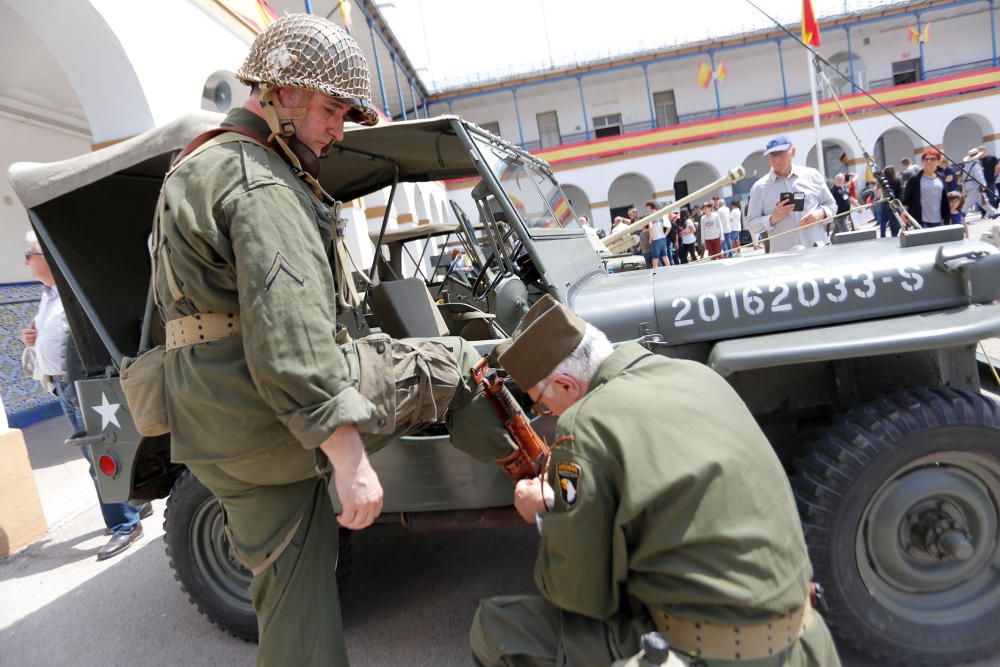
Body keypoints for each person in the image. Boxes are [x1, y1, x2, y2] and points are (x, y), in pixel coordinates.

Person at [153, 15, 515, 665]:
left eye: (344, 113)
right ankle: (544, 482)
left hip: (214, 423)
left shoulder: (198, 166)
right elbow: (288, 339)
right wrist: (348, 457)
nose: (337, 129)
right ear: (278, 93)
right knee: (458, 363)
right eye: (329, 109)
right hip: (267, 411)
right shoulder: (261, 181)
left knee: (295, 590)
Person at [469, 295, 841, 667]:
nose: (547, 413)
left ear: (566, 385)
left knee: (494, 628)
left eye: (541, 404)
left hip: (720, 653)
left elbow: (578, 593)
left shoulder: (584, 424)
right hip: (808, 641)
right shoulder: (696, 375)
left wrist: (544, 513)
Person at [21, 231, 151, 560]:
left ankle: (125, 525)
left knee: (100, 456)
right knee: (95, 454)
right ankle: (137, 502)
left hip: (82, 385)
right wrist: (34, 338)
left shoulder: (71, 291)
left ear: (44, 259)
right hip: (62, 384)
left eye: (29, 255)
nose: (25, 261)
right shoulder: (48, 294)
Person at [747, 135, 836, 253]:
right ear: (768, 158)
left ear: (792, 152)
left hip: (818, 249)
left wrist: (820, 214)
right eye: (773, 155)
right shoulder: (759, 188)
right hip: (784, 259)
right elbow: (752, 225)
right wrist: (773, 218)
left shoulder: (812, 175)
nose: (777, 159)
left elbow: (832, 205)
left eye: (782, 153)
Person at [902, 148, 949, 228]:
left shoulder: (941, 178)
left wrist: (947, 217)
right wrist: (903, 214)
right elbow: (906, 200)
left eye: (932, 159)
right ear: (922, 162)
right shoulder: (915, 179)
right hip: (921, 221)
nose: (929, 161)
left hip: (939, 220)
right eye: (926, 159)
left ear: (938, 162)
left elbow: (944, 199)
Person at [644, 200, 669, 267]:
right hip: (663, 238)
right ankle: (669, 270)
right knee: (664, 256)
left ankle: (655, 272)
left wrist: (650, 237)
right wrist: (665, 234)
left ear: (649, 207)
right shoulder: (660, 214)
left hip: (656, 238)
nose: (646, 208)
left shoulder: (650, 215)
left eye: (646, 207)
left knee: (655, 257)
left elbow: (650, 227)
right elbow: (669, 226)